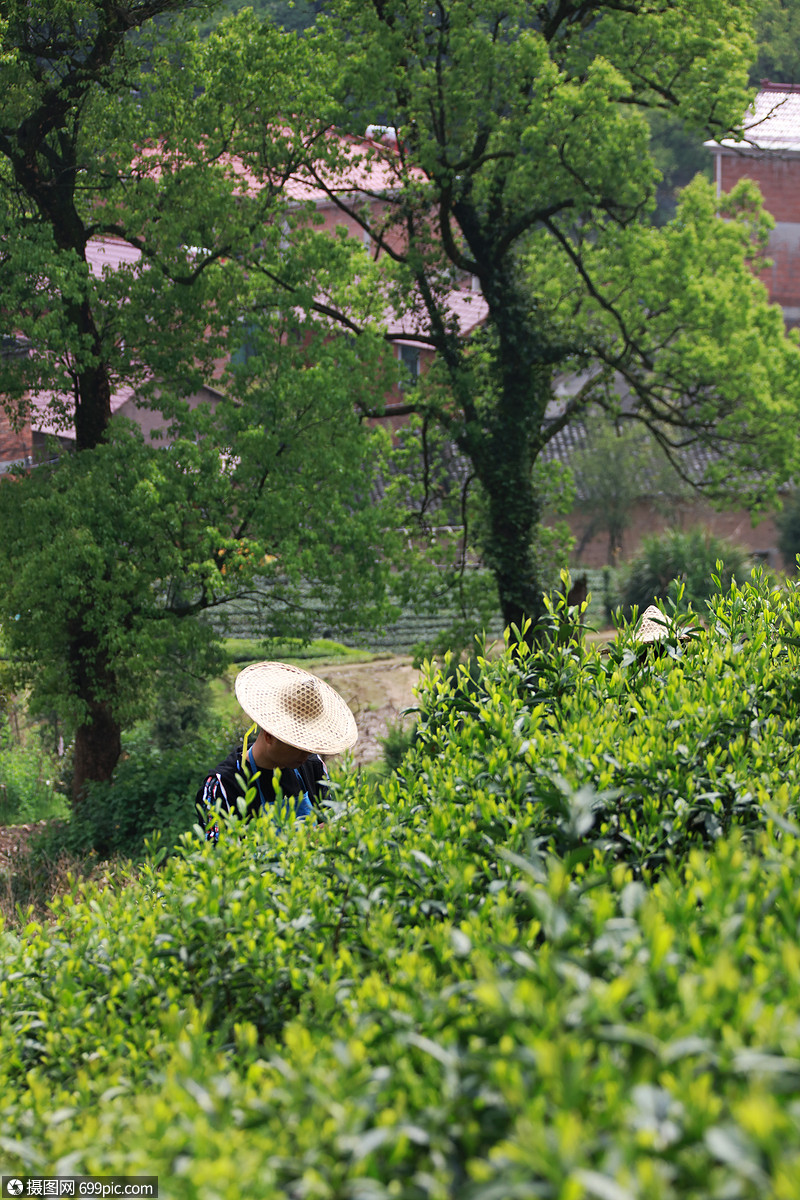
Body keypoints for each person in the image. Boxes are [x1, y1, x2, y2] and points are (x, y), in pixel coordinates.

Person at [195, 661, 358, 840]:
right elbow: (217, 857)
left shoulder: (313, 765)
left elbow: (330, 820)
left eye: (310, 744)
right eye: (296, 744)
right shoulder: (223, 786)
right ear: (269, 735)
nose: (305, 753)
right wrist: (302, 840)